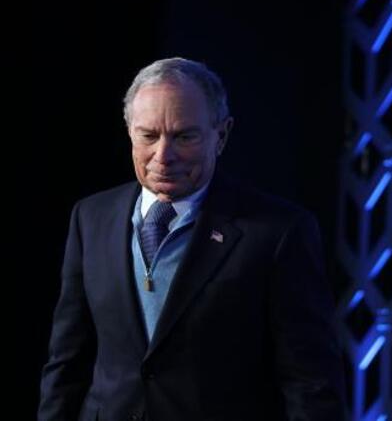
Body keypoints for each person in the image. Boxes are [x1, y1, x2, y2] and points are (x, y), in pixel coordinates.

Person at [38, 57, 347, 420]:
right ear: (129, 132)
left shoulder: (279, 232)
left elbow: (311, 382)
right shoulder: (91, 218)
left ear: (222, 135)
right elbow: (67, 361)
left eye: (184, 137)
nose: (163, 156)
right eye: (148, 136)